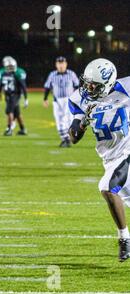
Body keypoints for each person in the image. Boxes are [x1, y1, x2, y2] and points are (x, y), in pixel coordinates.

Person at [69, 58, 130, 262]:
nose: (89, 87)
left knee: (106, 187)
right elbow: (73, 138)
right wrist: (84, 122)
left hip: (127, 152)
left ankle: (124, 238)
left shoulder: (126, 88)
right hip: (109, 158)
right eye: (87, 83)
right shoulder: (79, 99)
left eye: (94, 85)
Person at [43, 56, 80, 147]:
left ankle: (68, 138)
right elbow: (47, 87)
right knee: (59, 120)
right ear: (56, 64)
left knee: (69, 119)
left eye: (62, 63)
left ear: (66, 64)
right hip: (57, 101)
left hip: (69, 100)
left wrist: (77, 99)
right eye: (59, 63)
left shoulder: (71, 74)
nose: (61, 65)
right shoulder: (52, 75)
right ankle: (64, 139)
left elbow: (78, 86)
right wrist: (45, 98)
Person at [0, 56, 28, 136]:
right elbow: (0, 85)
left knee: (9, 112)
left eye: (11, 66)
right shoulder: (6, 74)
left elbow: (23, 86)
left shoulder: (14, 75)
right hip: (8, 95)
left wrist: (25, 99)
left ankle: (9, 129)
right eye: (9, 66)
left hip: (14, 95)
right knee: (17, 113)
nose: (10, 68)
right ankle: (22, 129)